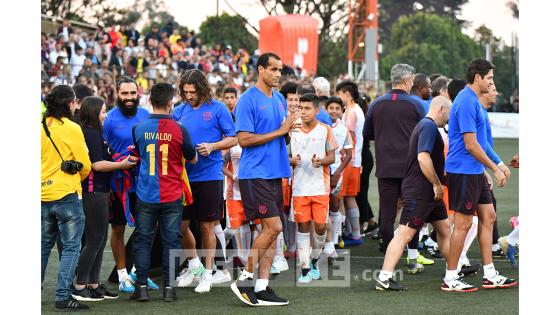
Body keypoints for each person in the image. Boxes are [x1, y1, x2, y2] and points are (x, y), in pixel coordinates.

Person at [230, 52, 298, 306]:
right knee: (274, 227)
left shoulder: (279, 99)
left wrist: (288, 131)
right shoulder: (247, 100)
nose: (278, 74)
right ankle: (245, 279)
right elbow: (244, 139)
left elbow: (281, 136)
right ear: (260, 70)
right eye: (273, 69)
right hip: (255, 174)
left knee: (270, 232)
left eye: (280, 70)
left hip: (275, 173)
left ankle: (261, 287)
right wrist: (280, 130)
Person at [443, 59, 516, 291]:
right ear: (477, 78)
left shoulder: (474, 101)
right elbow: (471, 145)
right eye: (490, 79)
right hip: (462, 171)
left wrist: (499, 163)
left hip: (473, 171)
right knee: (463, 225)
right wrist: (494, 170)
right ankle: (450, 277)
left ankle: (489, 273)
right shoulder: (465, 100)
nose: (492, 83)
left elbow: (482, 142)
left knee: (489, 217)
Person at [376, 96, 453, 291]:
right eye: (448, 115)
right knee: (404, 234)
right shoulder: (428, 126)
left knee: (444, 229)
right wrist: (436, 183)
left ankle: (455, 269)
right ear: (442, 109)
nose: (448, 120)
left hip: (428, 192)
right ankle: (384, 278)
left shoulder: (423, 126)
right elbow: (423, 157)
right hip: (422, 190)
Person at [131, 83, 198, 302]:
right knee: (171, 242)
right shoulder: (180, 129)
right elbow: (192, 158)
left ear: (150, 101)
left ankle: (141, 288)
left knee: (143, 241)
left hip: (145, 193)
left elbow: (140, 155)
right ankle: (169, 289)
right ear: (171, 103)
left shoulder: (138, 129)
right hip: (171, 194)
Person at [363, 64, 433, 271]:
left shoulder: (376, 104)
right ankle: (412, 259)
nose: (413, 83)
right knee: (411, 212)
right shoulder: (417, 105)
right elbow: (426, 132)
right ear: (405, 81)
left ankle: (388, 261)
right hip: (411, 168)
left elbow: (368, 135)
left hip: (385, 167)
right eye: (411, 80)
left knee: (386, 214)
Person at [173, 69, 237, 293]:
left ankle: (209, 274)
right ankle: (194, 265)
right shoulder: (179, 111)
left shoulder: (218, 108)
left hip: (210, 175)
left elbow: (233, 137)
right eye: (186, 92)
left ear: (202, 88)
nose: (189, 95)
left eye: (193, 91)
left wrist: (213, 146)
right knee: (180, 226)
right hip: (184, 177)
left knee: (207, 226)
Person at [72, 96, 133, 302]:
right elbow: (96, 165)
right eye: (103, 111)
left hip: (99, 191)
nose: (105, 115)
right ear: (94, 112)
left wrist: (124, 158)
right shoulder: (89, 133)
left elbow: (107, 157)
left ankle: (93, 283)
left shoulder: (95, 132)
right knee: (94, 240)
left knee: (97, 240)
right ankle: (80, 285)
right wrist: (122, 165)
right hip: (92, 191)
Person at [41, 85, 92, 311]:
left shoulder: (39, 126)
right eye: (74, 103)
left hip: (42, 193)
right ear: (69, 103)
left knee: (42, 247)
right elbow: (86, 166)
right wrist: (75, 176)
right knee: (71, 248)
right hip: (67, 194)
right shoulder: (72, 127)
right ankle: (63, 296)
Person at [103, 76, 154, 292]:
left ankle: (139, 273)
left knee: (147, 228)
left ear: (138, 93)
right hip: (117, 184)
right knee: (118, 228)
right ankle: (123, 276)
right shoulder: (108, 120)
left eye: (133, 93)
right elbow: (102, 151)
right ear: (117, 93)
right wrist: (106, 187)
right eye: (125, 94)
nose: (129, 98)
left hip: (143, 183)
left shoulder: (146, 115)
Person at [289, 93, 338, 283]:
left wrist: (321, 161)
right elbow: (284, 156)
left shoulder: (325, 130)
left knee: (319, 227)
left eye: (307, 108)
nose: (303, 111)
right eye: (301, 108)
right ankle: (304, 269)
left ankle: (315, 261)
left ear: (317, 110)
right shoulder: (292, 130)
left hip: (320, 188)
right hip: (299, 189)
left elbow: (332, 157)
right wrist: (291, 160)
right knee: (302, 227)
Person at [335, 80, 364, 246]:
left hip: (349, 160)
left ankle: (349, 234)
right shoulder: (356, 110)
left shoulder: (351, 112)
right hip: (355, 159)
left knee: (342, 197)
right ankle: (352, 233)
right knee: (347, 197)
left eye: (339, 94)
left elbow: (350, 135)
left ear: (346, 93)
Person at [324, 96, 353, 255]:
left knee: (335, 205)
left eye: (337, 108)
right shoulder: (321, 126)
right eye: (331, 108)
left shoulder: (343, 129)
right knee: (324, 207)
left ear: (342, 110)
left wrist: (337, 173)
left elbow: (348, 154)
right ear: (326, 109)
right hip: (321, 172)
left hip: (336, 173)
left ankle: (335, 239)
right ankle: (326, 241)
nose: (334, 111)